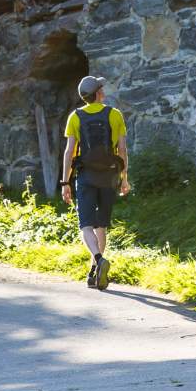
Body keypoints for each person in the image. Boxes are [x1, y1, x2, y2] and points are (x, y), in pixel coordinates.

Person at [60, 74, 131, 291]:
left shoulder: (75, 117)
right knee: (101, 225)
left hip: (86, 176)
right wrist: (124, 178)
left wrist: (65, 182)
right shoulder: (115, 115)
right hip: (109, 177)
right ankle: (94, 271)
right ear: (98, 93)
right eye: (101, 88)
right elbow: (122, 150)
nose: (103, 90)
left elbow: (70, 152)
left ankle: (98, 261)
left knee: (86, 225)